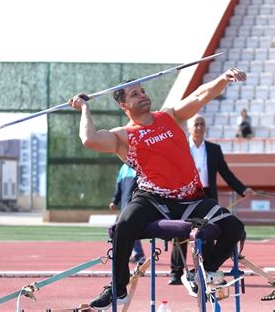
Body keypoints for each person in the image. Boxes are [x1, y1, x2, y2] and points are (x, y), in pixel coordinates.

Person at [68, 67, 247, 310]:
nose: (142, 95)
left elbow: (200, 95)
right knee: (124, 224)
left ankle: (199, 273)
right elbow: (89, 139)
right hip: (152, 199)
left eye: (142, 90)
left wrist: (223, 78)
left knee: (234, 226)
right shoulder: (123, 136)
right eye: (134, 94)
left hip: (190, 199)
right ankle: (118, 288)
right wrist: (85, 108)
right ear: (123, 105)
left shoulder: (169, 116)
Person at [168, 114, 255, 285]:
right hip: (186, 195)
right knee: (181, 232)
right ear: (189, 128)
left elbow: (226, 173)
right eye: (196, 124)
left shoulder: (214, 149)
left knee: (209, 233)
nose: (199, 128)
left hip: (208, 196)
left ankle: (206, 269)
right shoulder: (181, 148)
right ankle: (176, 272)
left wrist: (242, 189)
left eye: (202, 124)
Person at [109, 163, 145, 264]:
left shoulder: (139, 166)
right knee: (118, 228)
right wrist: (114, 201)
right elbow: (118, 187)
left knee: (129, 227)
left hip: (134, 205)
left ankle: (138, 255)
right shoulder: (123, 168)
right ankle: (126, 253)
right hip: (124, 205)